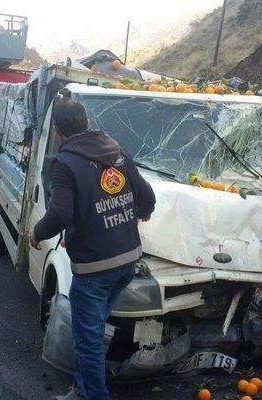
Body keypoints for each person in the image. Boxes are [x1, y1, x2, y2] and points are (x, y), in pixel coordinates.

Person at [29, 93, 156, 400]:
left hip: (94, 270)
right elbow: (147, 195)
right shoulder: (116, 150)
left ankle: (92, 395)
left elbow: (59, 213)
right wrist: (141, 213)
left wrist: (36, 233)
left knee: (87, 340)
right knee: (92, 329)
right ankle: (83, 387)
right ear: (87, 122)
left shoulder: (64, 164)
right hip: (127, 263)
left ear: (58, 131)